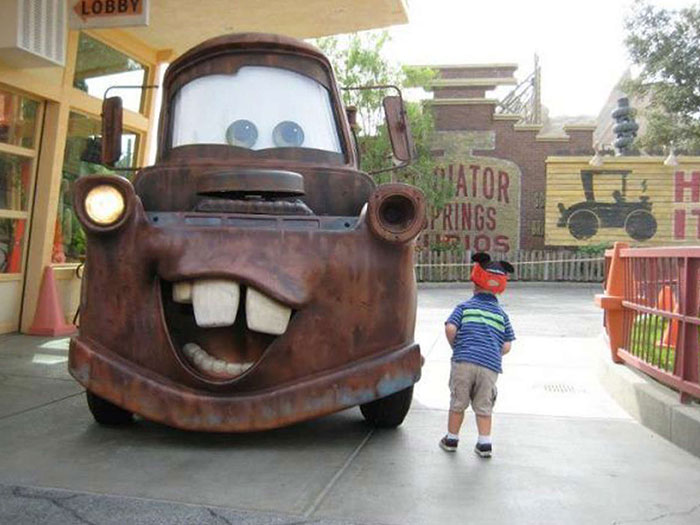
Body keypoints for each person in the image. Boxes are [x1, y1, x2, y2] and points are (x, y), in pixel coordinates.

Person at [439, 252, 515, 458]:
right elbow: (507, 345)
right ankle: (484, 444)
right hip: (489, 366)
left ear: (475, 283)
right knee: (484, 405)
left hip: (464, 361)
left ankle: (452, 439)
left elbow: (450, 328)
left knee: (458, 402)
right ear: (500, 288)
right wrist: (492, 351)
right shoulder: (502, 315)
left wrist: (457, 346)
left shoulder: (464, 307)